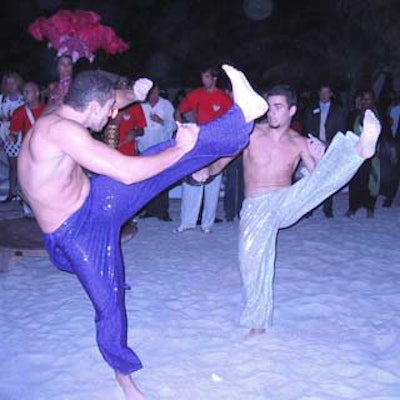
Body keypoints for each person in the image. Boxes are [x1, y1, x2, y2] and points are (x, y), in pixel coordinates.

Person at [18, 65, 268, 399]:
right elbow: (127, 172)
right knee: (109, 307)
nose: (113, 115)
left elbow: (108, 97)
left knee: (162, 154)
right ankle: (124, 378)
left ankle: (240, 120)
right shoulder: (61, 131)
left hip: (95, 200)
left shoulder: (67, 111)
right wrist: (179, 149)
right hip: (75, 235)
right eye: (109, 110)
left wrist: (134, 94)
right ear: (92, 106)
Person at [195, 84, 381, 338]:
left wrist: (321, 156)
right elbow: (223, 161)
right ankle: (258, 323)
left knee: (322, 177)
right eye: (269, 106)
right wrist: (208, 171)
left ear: (291, 110)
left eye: (278, 107)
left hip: (286, 200)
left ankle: (359, 151)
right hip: (256, 207)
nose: (271, 112)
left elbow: (319, 182)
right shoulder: (250, 134)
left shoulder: (299, 142)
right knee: (251, 266)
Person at [174, 66, 233, 233]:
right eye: (202, 77)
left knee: (213, 182)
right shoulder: (195, 94)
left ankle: (207, 224)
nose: (204, 80)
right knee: (192, 182)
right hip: (197, 144)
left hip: (216, 145)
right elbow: (178, 112)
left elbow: (231, 119)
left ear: (214, 78)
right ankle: (187, 223)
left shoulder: (223, 97)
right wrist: (182, 126)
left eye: (207, 77)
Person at [304, 83, 346, 218]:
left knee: (328, 178)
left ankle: (328, 209)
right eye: (322, 92)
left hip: (331, 147)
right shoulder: (311, 109)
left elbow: (342, 130)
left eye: (327, 92)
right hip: (315, 147)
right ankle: (309, 208)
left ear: (331, 94)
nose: (324, 95)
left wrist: (329, 143)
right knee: (312, 177)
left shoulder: (339, 110)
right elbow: (308, 127)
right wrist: (316, 141)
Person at [136, 83, 177, 221]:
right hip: (145, 148)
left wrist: (161, 121)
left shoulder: (166, 105)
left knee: (162, 180)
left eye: (156, 92)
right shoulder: (141, 106)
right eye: (152, 92)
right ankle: (149, 210)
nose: (154, 95)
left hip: (161, 148)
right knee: (147, 181)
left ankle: (162, 211)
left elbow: (173, 125)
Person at [0, 72, 24, 202]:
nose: (10, 86)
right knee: (12, 164)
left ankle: (22, 193)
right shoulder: (2, 99)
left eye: (13, 82)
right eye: (8, 83)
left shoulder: (24, 98)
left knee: (22, 164)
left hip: (22, 134)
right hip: (8, 135)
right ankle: (11, 192)